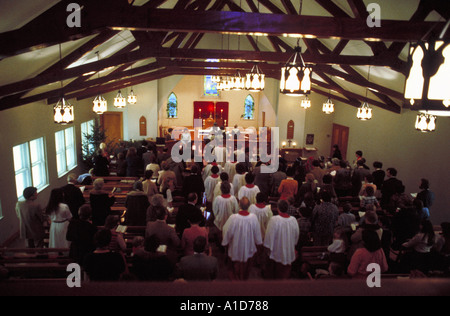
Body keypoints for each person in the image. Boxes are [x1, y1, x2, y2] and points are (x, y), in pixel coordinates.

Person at [222, 197, 263, 281]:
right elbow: (257, 234)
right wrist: (258, 242)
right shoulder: (253, 218)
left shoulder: (233, 218)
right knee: (245, 271)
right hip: (248, 248)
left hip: (235, 249)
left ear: (239, 204)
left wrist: (225, 242)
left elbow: (227, 231)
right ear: (249, 206)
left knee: (235, 270)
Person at [263, 199, 300, 279]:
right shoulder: (293, 220)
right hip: (288, 250)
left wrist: (268, 247)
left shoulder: (274, 220)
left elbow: (269, 236)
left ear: (278, 208)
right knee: (285, 272)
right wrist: (293, 244)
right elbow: (296, 235)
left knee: (276, 273)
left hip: (277, 251)